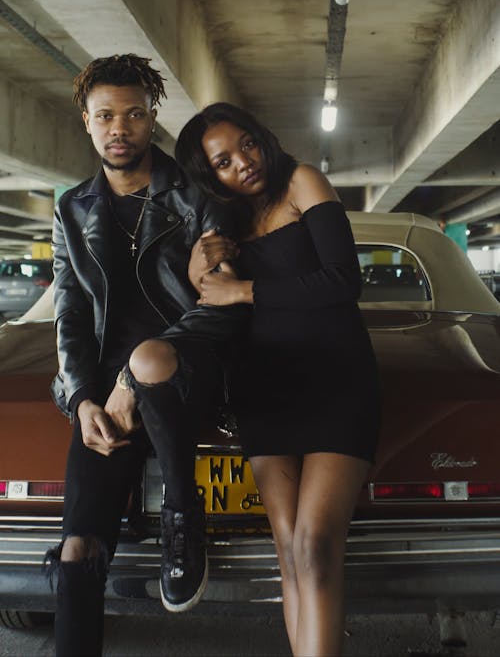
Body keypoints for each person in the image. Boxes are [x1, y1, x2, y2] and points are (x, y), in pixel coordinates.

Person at [45, 56, 244, 657]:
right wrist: (82, 400)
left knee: (151, 363)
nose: (120, 128)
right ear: (86, 121)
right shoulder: (72, 209)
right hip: (109, 391)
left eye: (134, 114)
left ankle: (183, 520)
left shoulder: (198, 196)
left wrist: (134, 376)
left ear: (152, 116)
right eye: (105, 115)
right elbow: (70, 314)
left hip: (189, 369)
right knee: (78, 547)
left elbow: (224, 304)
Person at [175, 102, 380, 657]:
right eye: (222, 161)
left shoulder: (303, 181)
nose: (242, 162)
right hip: (263, 388)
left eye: (246, 144)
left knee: (315, 543)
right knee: (288, 548)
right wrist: (199, 273)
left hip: (336, 378)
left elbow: (343, 279)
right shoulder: (223, 225)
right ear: (209, 175)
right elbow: (206, 310)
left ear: (262, 137)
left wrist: (244, 290)